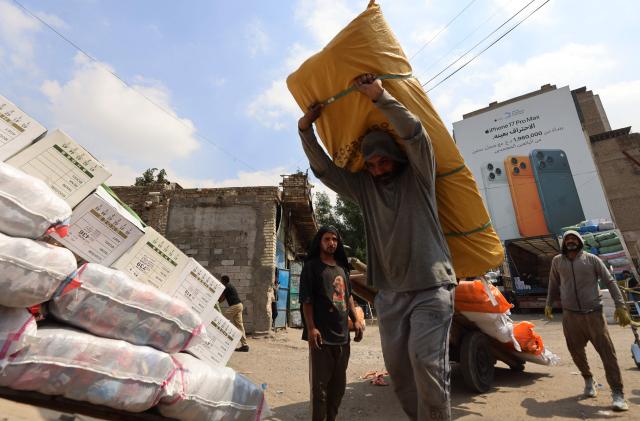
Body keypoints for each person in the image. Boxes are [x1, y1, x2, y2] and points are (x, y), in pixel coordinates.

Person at [298, 74, 456, 421]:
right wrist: (305, 131)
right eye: (371, 164)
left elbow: (416, 135)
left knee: (427, 364)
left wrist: (380, 96)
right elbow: (325, 171)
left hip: (431, 288)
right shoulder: (365, 189)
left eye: (383, 161)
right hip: (390, 295)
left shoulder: (419, 178)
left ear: (395, 158)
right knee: (400, 376)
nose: (377, 168)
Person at [545, 230, 631, 411]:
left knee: (607, 353)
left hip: (594, 314)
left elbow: (610, 281)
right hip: (570, 315)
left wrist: (621, 306)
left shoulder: (592, 260)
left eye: (574, 239)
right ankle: (588, 379)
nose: (570, 241)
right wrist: (549, 304)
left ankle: (617, 393)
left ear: (580, 242)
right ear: (563, 243)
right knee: (575, 351)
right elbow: (553, 284)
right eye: (567, 239)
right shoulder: (557, 261)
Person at [300, 226, 364, 421]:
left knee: (338, 388)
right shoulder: (311, 267)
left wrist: (356, 320)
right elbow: (307, 300)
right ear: (320, 242)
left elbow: (348, 297)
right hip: (322, 338)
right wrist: (311, 328)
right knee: (319, 389)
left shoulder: (342, 268)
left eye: (334, 239)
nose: (332, 243)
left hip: (342, 337)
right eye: (327, 239)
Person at [219, 275, 249, 352]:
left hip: (235, 306)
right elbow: (223, 298)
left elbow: (222, 298)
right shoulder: (230, 286)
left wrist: (215, 301)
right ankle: (245, 345)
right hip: (239, 305)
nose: (220, 282)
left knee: (222, 319)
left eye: (221, 281)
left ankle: (220, 339)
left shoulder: (226, 287)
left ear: (223, 281)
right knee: (240, 326)